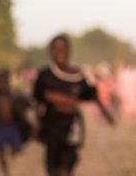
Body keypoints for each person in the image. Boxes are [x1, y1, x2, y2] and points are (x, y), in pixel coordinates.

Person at [33, 35, 115, 176]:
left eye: (63, 49)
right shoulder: (45, 76)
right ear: (50, 52)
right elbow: (36, 101)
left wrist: (106, 113)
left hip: (72, 126)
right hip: (51, 127)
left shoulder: (79, 76)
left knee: (67, 166)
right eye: (55, 49)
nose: (59, 53)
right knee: (53, 169)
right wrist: (35, 125)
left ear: (69, 51)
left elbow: (92, 95)